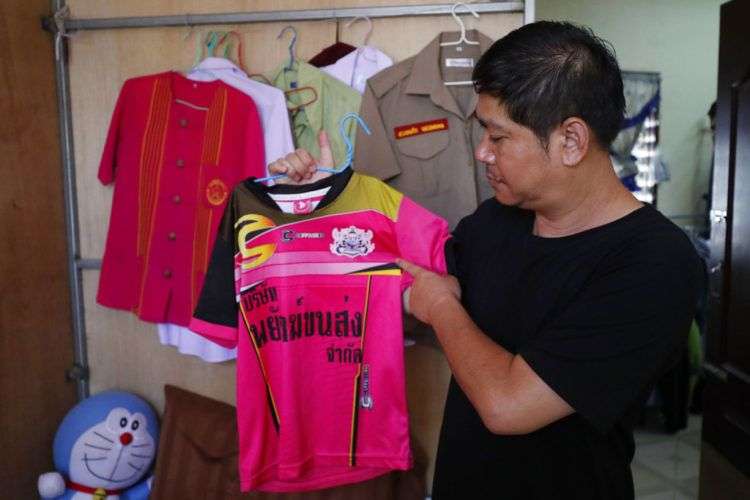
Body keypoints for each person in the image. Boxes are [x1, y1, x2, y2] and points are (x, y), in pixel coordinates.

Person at [268, 21, 703, 500]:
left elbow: (508, 405)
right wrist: (309, 206)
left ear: (571, 141)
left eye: (498, 137)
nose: (481, 153)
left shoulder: (654, 263)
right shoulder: (498, 220)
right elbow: (390, 272)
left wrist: (442, 307)